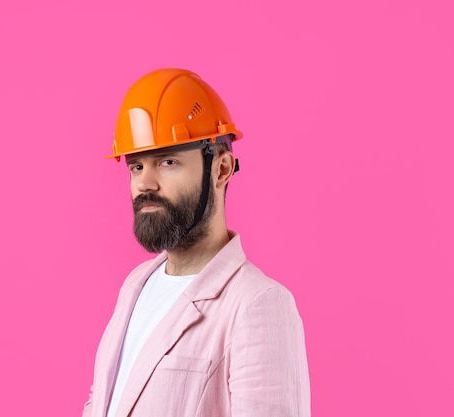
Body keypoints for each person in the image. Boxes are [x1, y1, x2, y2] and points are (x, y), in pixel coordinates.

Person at [82, 68, 310, 417]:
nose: (145, 183)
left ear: (220, 170)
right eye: (136, 167)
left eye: (167, 162)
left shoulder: (257, 305)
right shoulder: (136, 286)